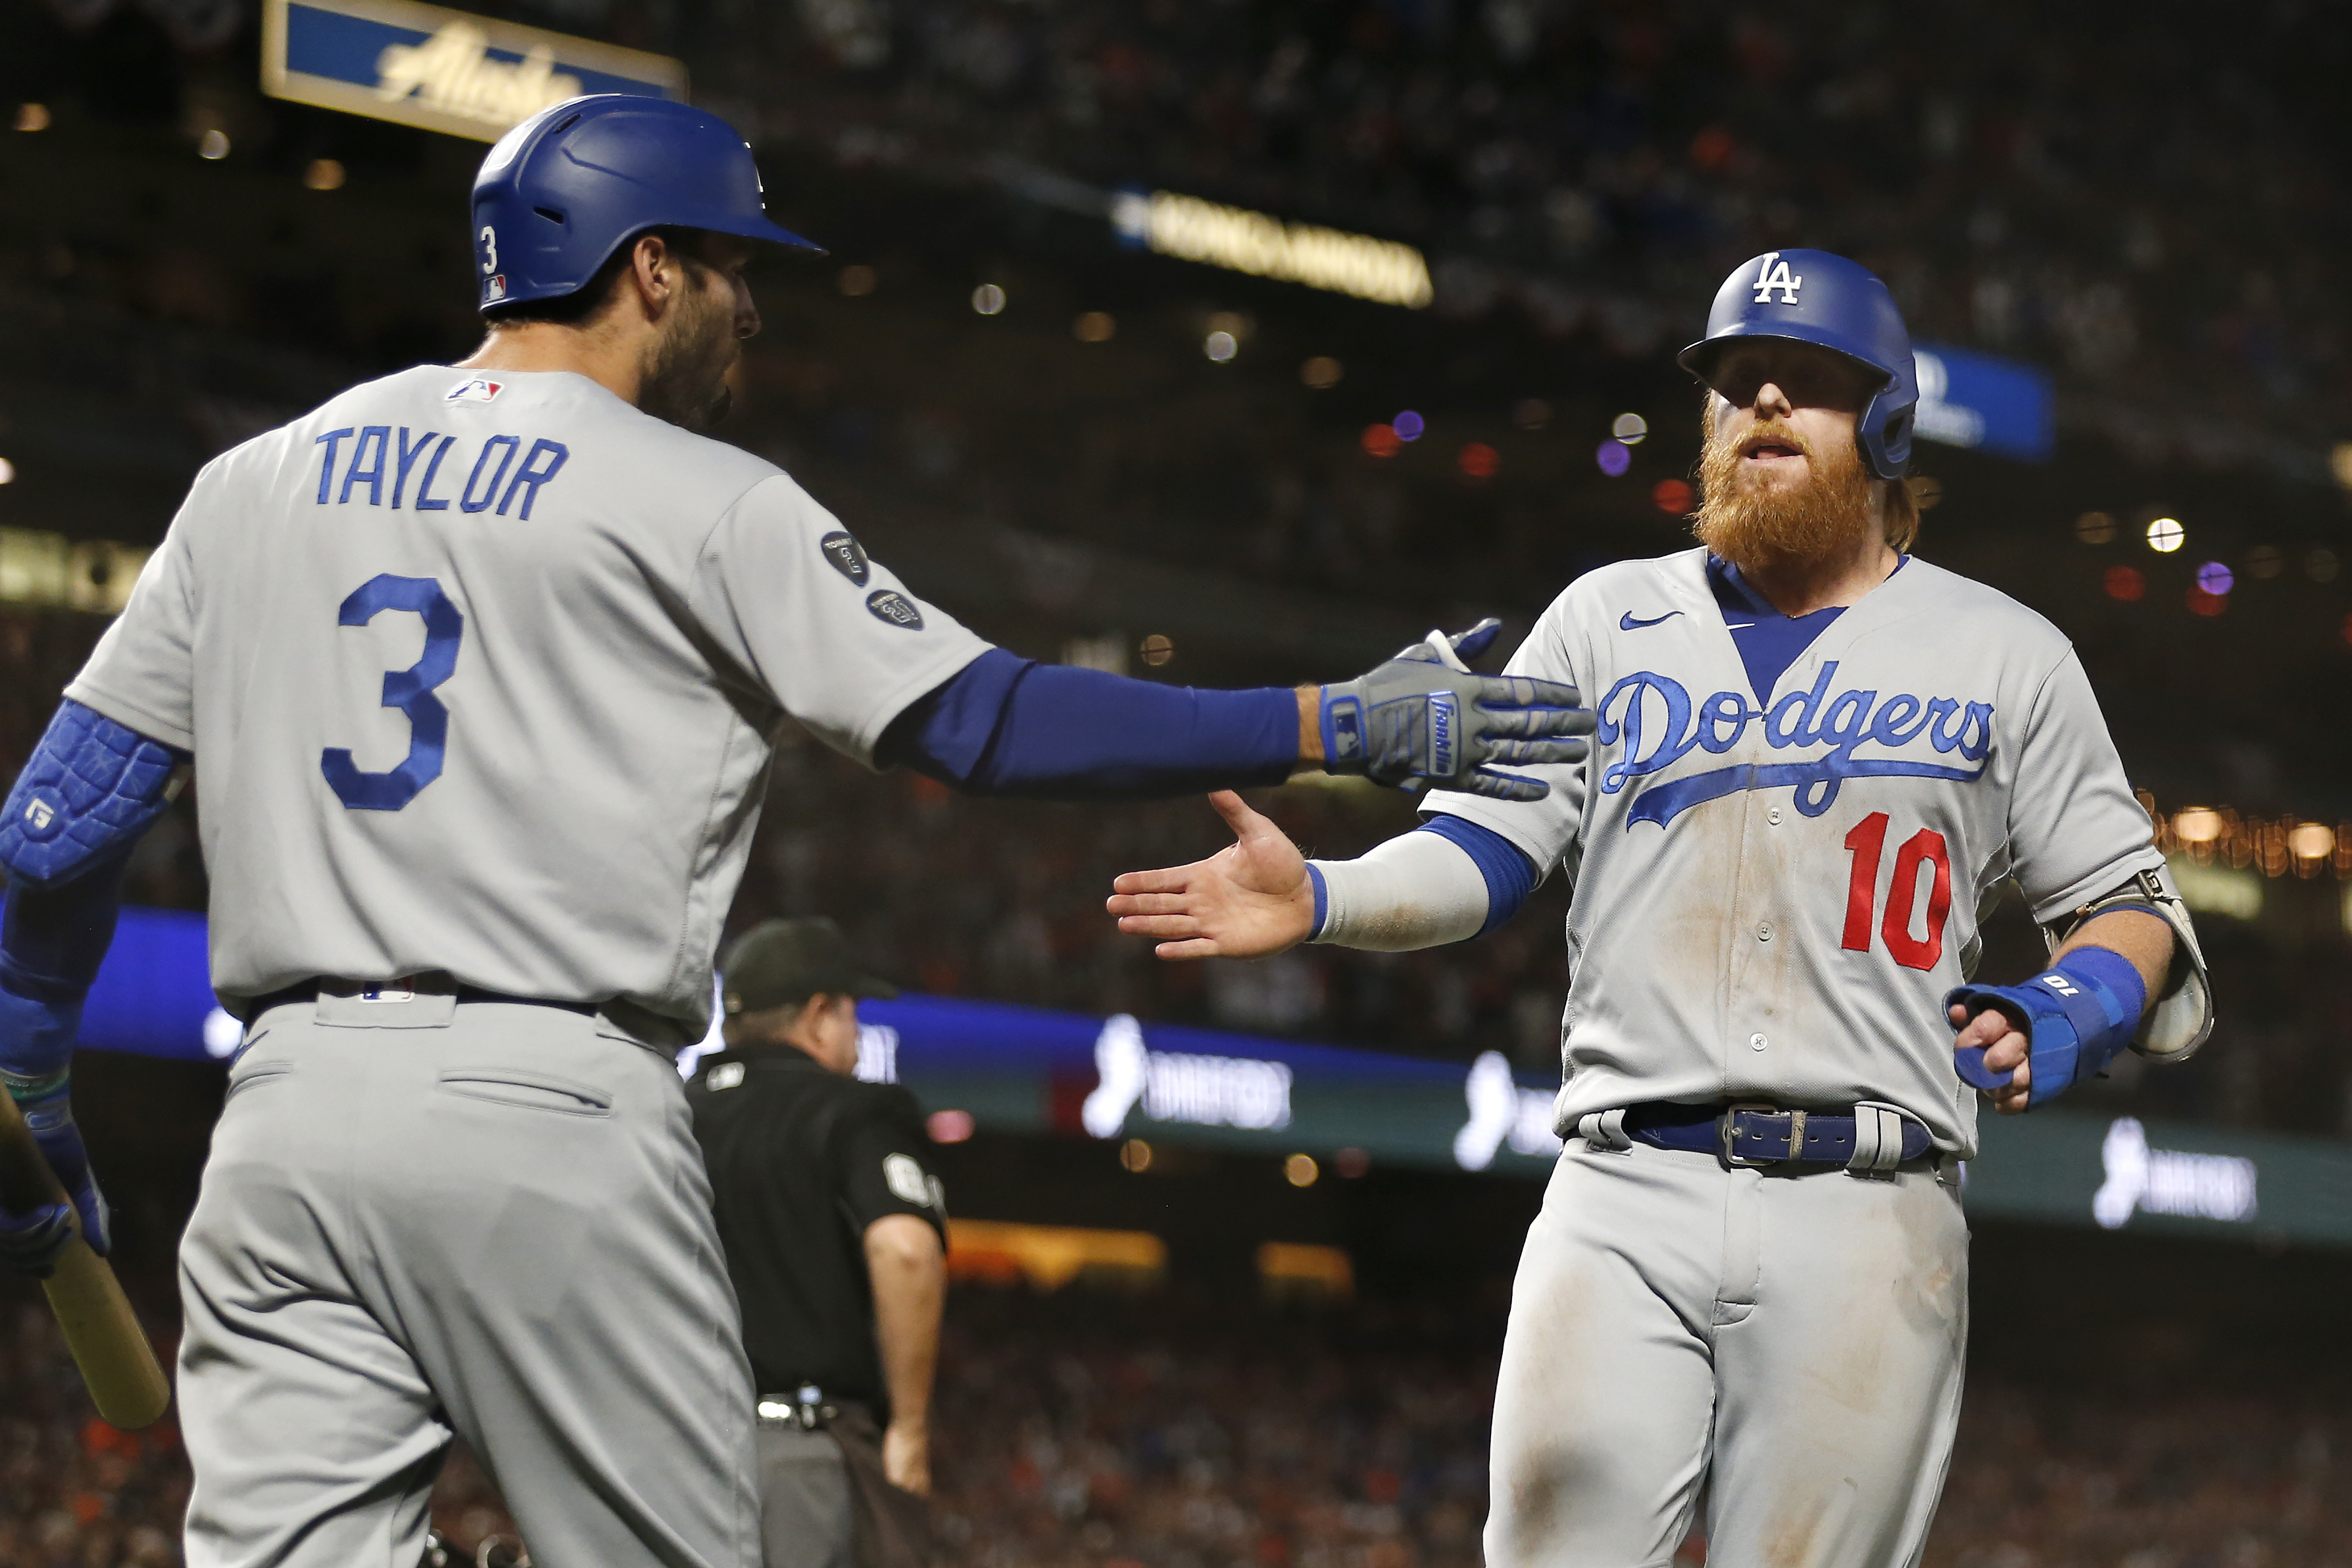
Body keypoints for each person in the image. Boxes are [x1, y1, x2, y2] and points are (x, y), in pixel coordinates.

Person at [0, 95, 1592, 1568]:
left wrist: (30, 1082)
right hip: (547, 1108)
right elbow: (990, 720)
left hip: (280, 1121)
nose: (751, 305)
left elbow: (53, 832)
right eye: (729, 267)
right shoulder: (701, 496)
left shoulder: (251, 480)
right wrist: (1329, 718)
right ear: (645, 267)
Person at [1105, 249, 2214, 1567]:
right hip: (1623, 1187)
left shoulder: (2006, 651)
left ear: (1891, 424)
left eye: (1805, 385)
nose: (1761, 407)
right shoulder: (1606, 617)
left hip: (1869, 1206)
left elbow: (2130, 904)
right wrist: (1332, 892)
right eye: (1738, 384)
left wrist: (2072, 1002)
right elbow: (1482, 851)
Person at [689, 918, 943, 1568]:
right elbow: (905, 1248)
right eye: (852, 1013)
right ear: (820, 1015)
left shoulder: (672, 1111)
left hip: (673, 1446)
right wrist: (910, 1430)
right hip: (799, 1456)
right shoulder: (855, 1110)